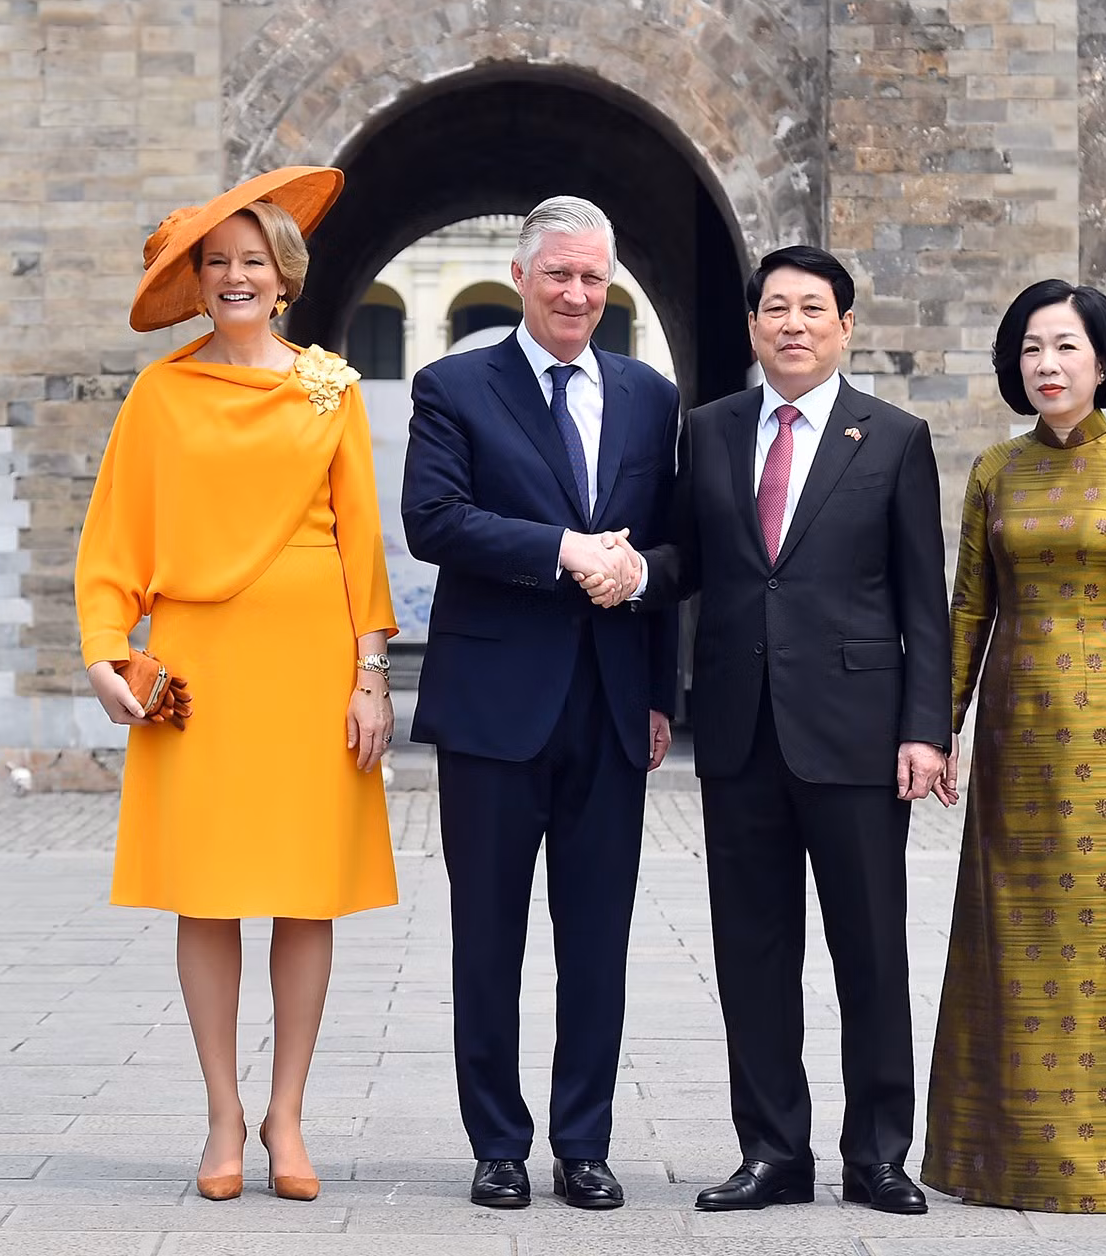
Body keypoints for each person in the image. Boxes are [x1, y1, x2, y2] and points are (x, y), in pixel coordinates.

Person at [582, 245, 951, 1214]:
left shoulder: (896, 438)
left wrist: (928, 729)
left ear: (845, 327)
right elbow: (687, 561)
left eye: (812, 308)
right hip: (740, 732)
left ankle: (876, 1153)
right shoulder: (709, 431)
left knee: (870, 948)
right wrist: (632, 575)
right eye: (775, 308)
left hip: (860, 734)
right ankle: (773, 1150)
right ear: (752, 328)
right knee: (752, 949)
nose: (793, 323)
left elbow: (926, 602)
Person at [74, 166, 398, 1205]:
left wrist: (371, 675)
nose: (235, 277)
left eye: (252, 261)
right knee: (208, 895)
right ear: (196, 281)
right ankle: (221, 1112)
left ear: (284, 275)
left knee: (308, 897)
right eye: (216, 263)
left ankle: (287, 1112)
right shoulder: (160, 394)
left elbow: (362, 547)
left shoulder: (331, 388)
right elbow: (112, 539)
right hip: (200, 669)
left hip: (310, 665)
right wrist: (102, 651)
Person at [401, 196, 679, 1211]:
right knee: (489, 932)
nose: (577, 293)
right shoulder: (454, 384)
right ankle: (498, 1141)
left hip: (610, 704)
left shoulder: (651, 397)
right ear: (522, 276)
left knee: (596, 935)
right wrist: (561, 552)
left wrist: (655, 675)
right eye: (559, 274)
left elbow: (676, 549)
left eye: (594, 278)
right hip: (492, 704)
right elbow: (434, 518)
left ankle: (584, 1141)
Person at [920, 279, 1106, 1213]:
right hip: (1018, 737)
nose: (1047, 366)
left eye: (1066, 348)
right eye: (1032, 351)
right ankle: (999, 1159)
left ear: (1102, 362)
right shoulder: (994, 474)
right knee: (1013, 935)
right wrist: (941, 727)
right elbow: (968, 609)